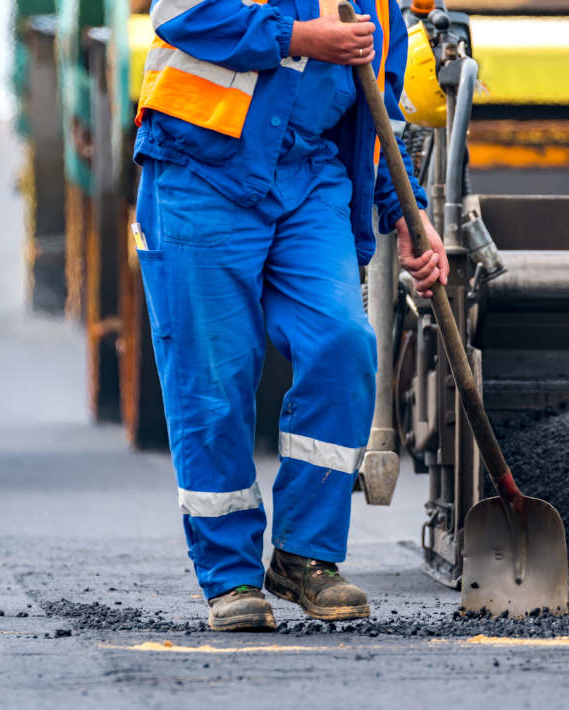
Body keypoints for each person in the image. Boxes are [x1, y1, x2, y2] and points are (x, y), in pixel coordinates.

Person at [133, 0, 447, 630]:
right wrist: (299, 37)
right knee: (215, 379)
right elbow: (178, 13)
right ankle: (230, 577)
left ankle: (305, 556)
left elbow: (374, 103)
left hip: (309, 180)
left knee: (342, 343)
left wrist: (404, 215)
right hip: (202, 172)